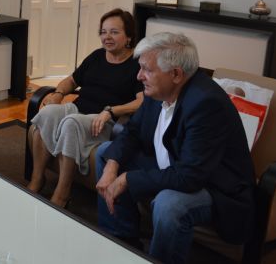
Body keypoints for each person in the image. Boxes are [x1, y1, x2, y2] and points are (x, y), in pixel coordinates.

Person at [95, 32, 255, 264]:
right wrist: (112, 167)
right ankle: (122, 242)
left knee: (169, 205)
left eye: (147, 69)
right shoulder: (159, 89)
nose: (139, 76)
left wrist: (128, 178)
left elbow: (190, 176)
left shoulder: (205, 104)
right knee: (106, 153)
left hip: (215, 187)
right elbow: (132, 131)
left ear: (176, 74)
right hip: (174, 166)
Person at [27, 9, 144, 207]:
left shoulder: (137, 65)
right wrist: (58, 94)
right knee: (47, 113)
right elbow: (72, 80)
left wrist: (111, 111)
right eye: (103, 32)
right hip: (78, 109)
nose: (107, 37)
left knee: (71, 123)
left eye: (114, 32)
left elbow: (142, 101)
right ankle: (37, 179)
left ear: (129, 36)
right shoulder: (97, 56)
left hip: (103, 120)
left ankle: (62, 193)